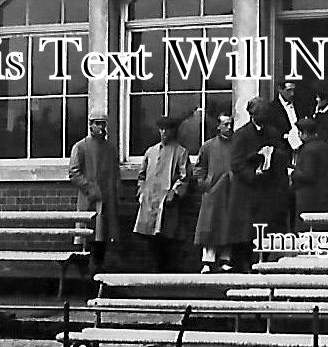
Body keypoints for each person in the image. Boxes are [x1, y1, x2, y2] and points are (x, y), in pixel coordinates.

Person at [229, 97, 292, 270]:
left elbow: (283, 154)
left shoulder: (272, 132)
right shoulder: (241, 135)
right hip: (246, 193)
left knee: (267, 230)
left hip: (267, 191)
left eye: (265, 115)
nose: (263, 118)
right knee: (246, 234)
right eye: (260, 115)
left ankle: (265, 264)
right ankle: (245, 267)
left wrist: (272, 154)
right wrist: (253, 171)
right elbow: (236, 164)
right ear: (252, 115)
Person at [133, 115, 195, 271]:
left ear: (174, 131)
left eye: (167, 129)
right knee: (149, 236)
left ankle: (165, 270)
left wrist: (175, 192)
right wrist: (141, 191)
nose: (164, 132)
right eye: (161, 129)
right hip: (149, 200)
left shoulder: (180, 152)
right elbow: (142, 175)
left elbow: (185, 176)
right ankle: (154, 270)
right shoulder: (151, 151)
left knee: (166, 237)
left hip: (167, 202)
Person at [67, 110, 121, 270]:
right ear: (90, 125)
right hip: (88, 200)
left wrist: (116, 191)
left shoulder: (110, 148)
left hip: (107, 199)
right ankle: (85, 273)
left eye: (103, 124)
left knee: (102, 238)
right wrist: (89, 188)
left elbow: (115, 172)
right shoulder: (80, 147)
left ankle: (98, 271)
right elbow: (74, 173)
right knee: (86, 237)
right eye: (97, 123)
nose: (101, 127)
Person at [194, 113, 235, 272]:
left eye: (231, 124)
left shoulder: (237, 144)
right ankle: (207, 261)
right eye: (225, 124)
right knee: (210, 225)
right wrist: (203, 182)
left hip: (230, 191)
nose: (229, 127)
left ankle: (225, 259)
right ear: (218, 126)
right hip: (212, 192)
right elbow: (199, 167)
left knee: (228, 225)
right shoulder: (208, 146)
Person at [290, 117, 328, 227]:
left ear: (304, 133)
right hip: (324, 195)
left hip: (308, 197)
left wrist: (293, 173)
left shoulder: (308, 150)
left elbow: (308, 174)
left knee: (306, 228)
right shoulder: (325, 146)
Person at [270, 79, 308, 154]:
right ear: (280, 90)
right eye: (289, 90)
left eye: (293, 90)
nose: (292, 94)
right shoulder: (272, 108)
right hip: (283, 149)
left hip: (302, 147)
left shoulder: (300, 104)